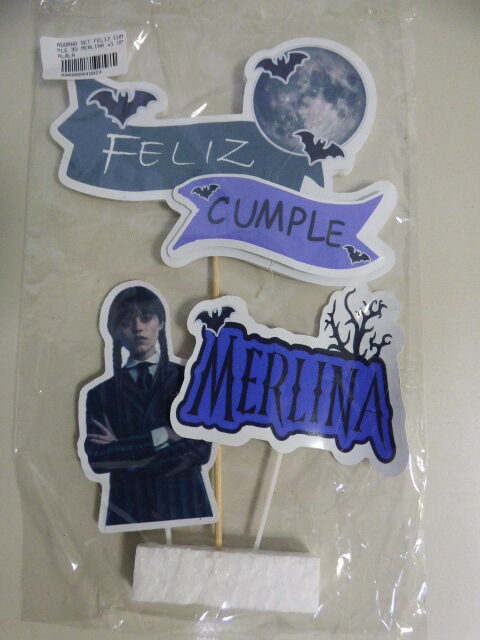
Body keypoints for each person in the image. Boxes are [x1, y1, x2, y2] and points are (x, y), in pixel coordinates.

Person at [82, 284, 215, 530]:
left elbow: (200, 450)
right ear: (115, 331)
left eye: (146, 318)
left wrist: (124, 453)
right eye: (126, 322)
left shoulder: (188, 379)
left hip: (186, 504)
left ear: (161, 323)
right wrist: (164, 435)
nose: (138, 328)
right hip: (129, 509)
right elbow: (98, 460)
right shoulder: (100, 394)